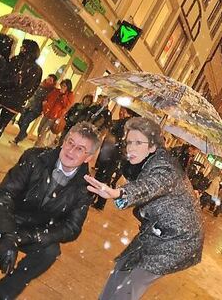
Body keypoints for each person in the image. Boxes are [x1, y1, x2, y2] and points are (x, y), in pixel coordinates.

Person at [0, 122, 100, 299]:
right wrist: (7, 236)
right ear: (63, 141)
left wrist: (25, 237)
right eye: (70, 142)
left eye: (80, 149)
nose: (71, 151)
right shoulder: (35, 158)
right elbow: (4, 195)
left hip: (31, 230)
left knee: (50, 251)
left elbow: (72, 227)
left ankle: (3, 293)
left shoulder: (85, 188)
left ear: (88, 157)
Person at [84, 117, 204, 300]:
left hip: (179, 240)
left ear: (153, 147)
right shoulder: (145, 162)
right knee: (122, 267)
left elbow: (150, 185)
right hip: (156, 231)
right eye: (129, 142)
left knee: (131, 286)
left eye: (139, 142)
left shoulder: (165, 168)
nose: (131, 147)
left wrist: (119, 193)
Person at [12, 74, 57, 144]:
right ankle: (23, 134)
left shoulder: (51, 91)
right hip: (29, 105)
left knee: (25, 122)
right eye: (48, 79)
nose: (48, 81)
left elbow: (48, 100)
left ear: (53, 82)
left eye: (50, 80)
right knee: (20, 121)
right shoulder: (40, 84)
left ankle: (17, 139)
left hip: (37, 109)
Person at [35, 79, 74, 147]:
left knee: (44, 130)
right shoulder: (56, 91)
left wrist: (64, 95)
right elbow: (47, 99)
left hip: (55, 116)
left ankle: (37, 146)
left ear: (68, 87)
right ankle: (40, 144)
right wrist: (45, 106)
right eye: (62, 85)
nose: (63, 87)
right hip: (47, 113)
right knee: (40, 128)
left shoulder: (69, 95)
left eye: (65, 86)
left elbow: (66, 105)